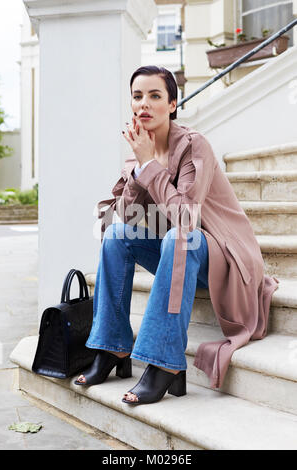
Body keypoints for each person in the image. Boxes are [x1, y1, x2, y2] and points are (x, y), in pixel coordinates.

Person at [74, 66, 279, 405]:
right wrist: (139, 169)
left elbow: (185, 216)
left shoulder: (194, 146)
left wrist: (148, 167)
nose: (144, 104)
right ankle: (113, 348)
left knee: (179, 237)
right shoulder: (139, 149)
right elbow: (124, 219)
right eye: (138, 96)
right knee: (116, 237)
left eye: (155, 96)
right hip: (178, 255)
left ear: (172, 104)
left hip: (221, 257)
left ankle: (164, 362)